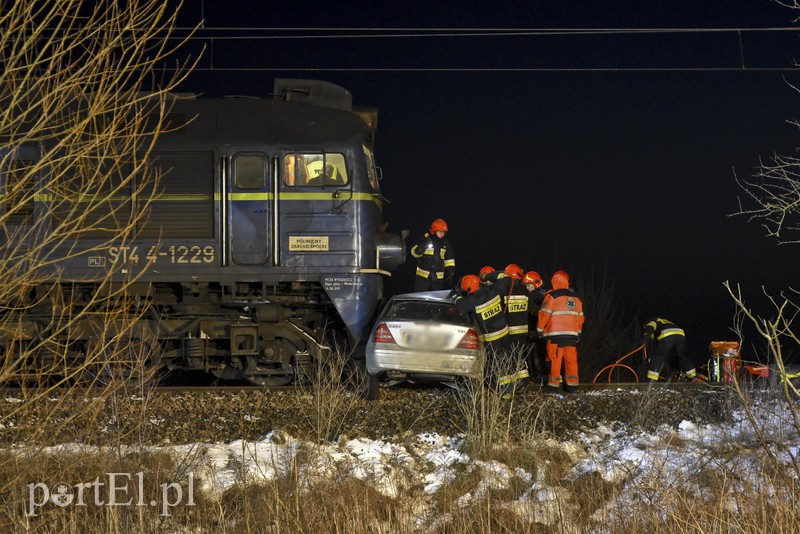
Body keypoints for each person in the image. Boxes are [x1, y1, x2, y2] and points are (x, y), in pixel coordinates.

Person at [452, 274, 517, 391]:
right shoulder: (494, 289)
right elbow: (507, 278)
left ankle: (505, 391)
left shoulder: (473, 300)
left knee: (498, 364)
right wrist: (490, 276)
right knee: (508, 359)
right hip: (504, 332)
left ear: (468, 289)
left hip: (492, 337)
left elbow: (459, 304)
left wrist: (457, 293)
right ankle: (512, 387)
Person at [537, 270, 584, 393]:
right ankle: (572, 386)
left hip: (555, 336)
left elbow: (544, 314)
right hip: (572, 336)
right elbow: (580, 317)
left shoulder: (552, 296)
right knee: (571, 361)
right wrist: (577, 332)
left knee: (554, 360)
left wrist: (539, 330)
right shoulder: (576, 298)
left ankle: (553, 387)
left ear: (554, 281)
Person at [642, 318, 698, 382]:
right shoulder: (664, 322)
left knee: (657, 358)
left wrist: (647, 333)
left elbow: (651, 325)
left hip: (666, 333)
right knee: (683, 356)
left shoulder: (652, 320)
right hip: (680, 334)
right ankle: (693, 377)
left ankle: (651, 380)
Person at [410, 218, 455, 291]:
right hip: (423, 278)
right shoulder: (424, 239)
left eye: (443, 232)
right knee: (420, 299)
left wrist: (450, 272)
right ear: (433, 231)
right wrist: (421, 248)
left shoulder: (446, 244)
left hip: (438, 280)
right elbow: (413, 253)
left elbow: (449, 260)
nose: (441, 234)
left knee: (435, 300)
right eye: (439, 232)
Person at [522, 270, 548, 384]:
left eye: (529, 285)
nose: (527, 288)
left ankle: (539, 377)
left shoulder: (537, 296)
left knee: (536, 355)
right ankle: (539, 376)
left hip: (536, 331)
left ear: (536, 283)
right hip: (537, 331)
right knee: (535, 355)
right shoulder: (544, 295)